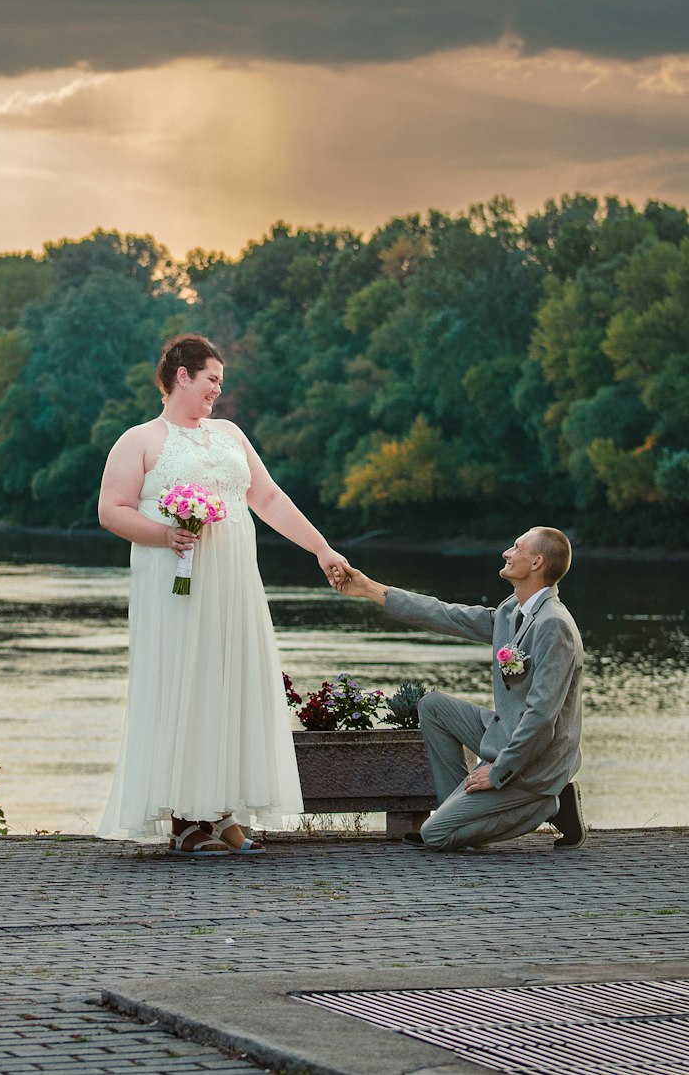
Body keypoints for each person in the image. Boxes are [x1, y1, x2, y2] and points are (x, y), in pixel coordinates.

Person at [97, 333, 348, 857]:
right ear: (182, 375)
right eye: (212, 379)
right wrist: (163, 534)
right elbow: (112, 509)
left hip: (234, 583)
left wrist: (321, 549)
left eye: (221, 383)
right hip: (177, 585)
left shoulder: (230, 434)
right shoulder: (140, 439)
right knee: (186, 681)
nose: (217, 391)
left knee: (228, 682)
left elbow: (268, 497)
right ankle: (187, 820)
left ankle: (221, 809)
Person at [338, 527, 585, 852]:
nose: (506, 553)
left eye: (516, 548)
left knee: (436, 837)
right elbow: (446, 615)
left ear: (537, 562)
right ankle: (457, 815)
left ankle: (549, 806)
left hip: (534, 762)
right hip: (506, 733)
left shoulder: (554, 625)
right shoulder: (512, 611)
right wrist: (370, 589)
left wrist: (498, 771)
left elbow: (541, 718)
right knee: (434, 707)